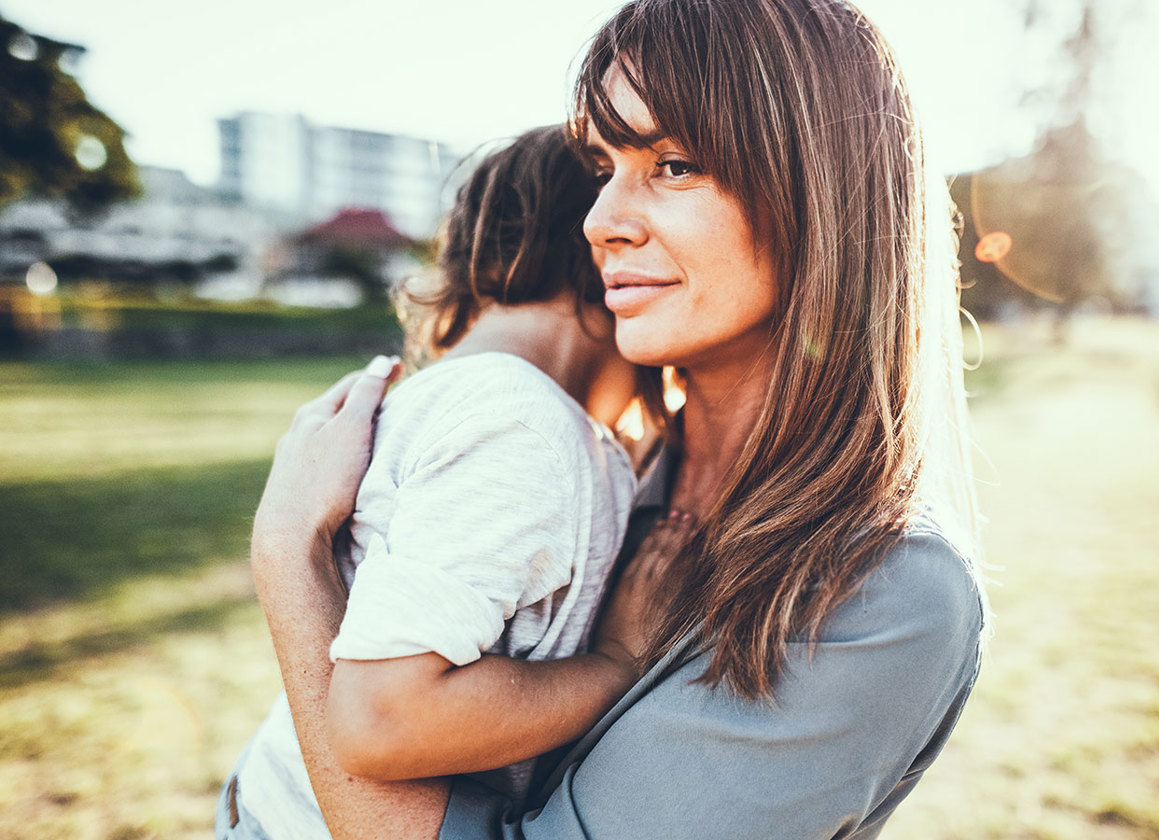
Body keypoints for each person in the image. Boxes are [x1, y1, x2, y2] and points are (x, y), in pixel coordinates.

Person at [248, 1, 988, 838]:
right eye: (604, 167)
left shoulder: (882, 593)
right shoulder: (604, 471)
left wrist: (288, 559)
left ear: (825, 194)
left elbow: (380, 723)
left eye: (673, 163)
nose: (599, 222)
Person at [218, 125, 645, 840]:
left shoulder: (456, 397)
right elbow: (388, 719)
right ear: (605, 254)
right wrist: (616, 665)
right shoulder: (519, 423)